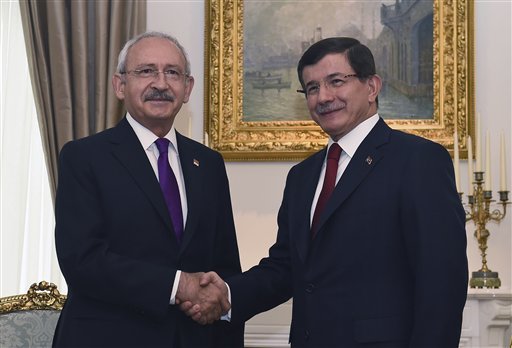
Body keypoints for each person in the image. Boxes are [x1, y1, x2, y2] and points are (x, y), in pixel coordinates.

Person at [184, 37, 468, 347]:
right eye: (312, 88)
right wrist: (227, 293)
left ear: (372, 87)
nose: (323, 97)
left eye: (336, 81)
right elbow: (286, 268)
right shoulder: (302, 177)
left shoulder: (418, 160)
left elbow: (442, 281)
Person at [53, 31, 243, 347]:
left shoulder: (208, 163)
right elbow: (81, 260)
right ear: (120, 85)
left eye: (172, 72)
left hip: (195, 338)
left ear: (187, 88)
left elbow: (224, 263)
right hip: (108, 338)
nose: (160, 83)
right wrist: (177, 285)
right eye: (146, 71)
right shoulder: (84, 157)